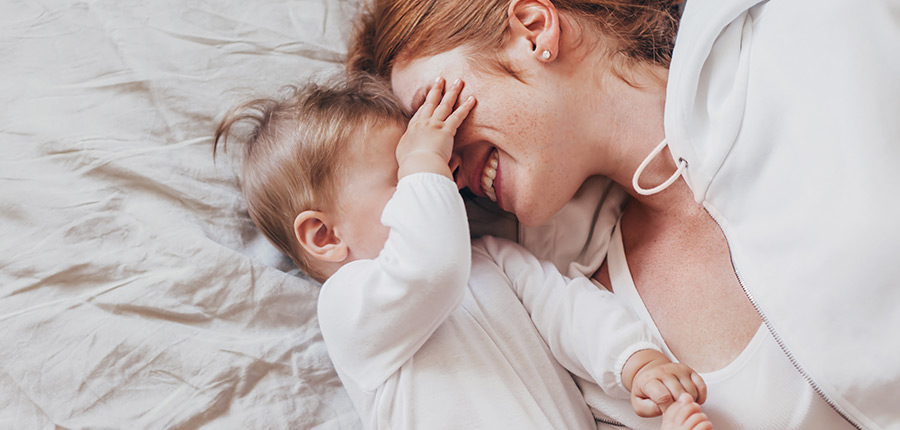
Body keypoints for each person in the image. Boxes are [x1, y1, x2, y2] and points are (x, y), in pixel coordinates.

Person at [348, 0, 900, 429]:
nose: (448, 167)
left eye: (438, 113)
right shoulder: (584, 324)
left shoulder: (813, 30)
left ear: (534, 28)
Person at [213, 74, 711, 430]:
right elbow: (430, 268)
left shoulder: (491, 256)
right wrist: (422, 160)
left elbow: (566, 308)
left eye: (437, 168)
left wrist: (634, 361)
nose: (441, 178)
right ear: (325, 237)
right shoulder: (349, 305)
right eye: (403, 174)